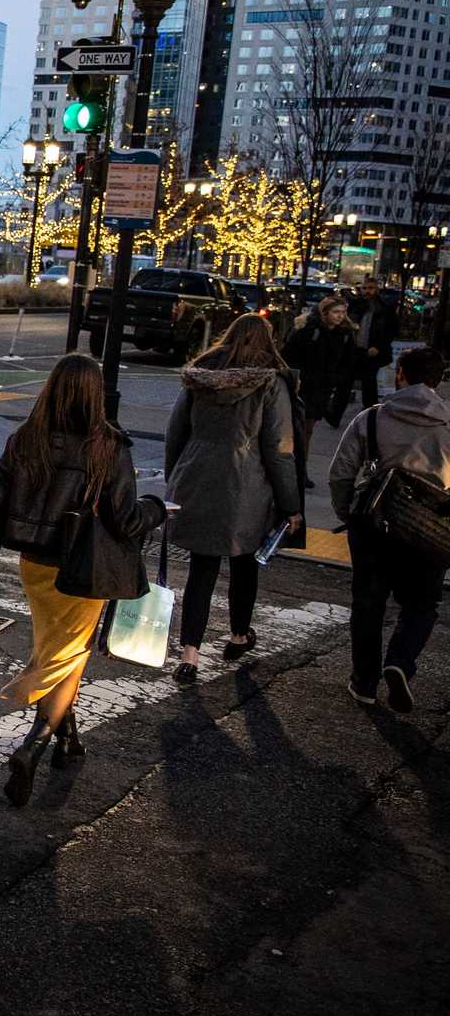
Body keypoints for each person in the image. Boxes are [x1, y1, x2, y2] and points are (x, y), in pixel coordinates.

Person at [0, 355, 167, 807]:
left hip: (35, 565)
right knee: (66, 654)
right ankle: (32, 747)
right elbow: (127, 518)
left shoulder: (25, 439)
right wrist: (157, 508)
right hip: (83, 568)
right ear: (96, 394)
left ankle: (67, 738)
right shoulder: (107, 447)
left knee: (59, 649)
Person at [164, 313, 303, 684]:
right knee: (245, 563)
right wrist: (290, 504)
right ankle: (239, 636)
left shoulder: (199, 375)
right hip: (248, 482)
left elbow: (176, 430)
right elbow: (279, 449)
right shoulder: (270, 382)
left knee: (201, 568)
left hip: (196, 474)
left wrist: (175, 478)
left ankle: (190, 654)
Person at [329, 347, 450, 712]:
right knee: (423, 604)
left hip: (376, 525)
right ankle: (400, 660)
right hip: (433, 528)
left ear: (400, 374)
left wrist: (347, 512)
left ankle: (364, 682)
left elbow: (341, 473)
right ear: (439, 380)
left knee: (368, 603)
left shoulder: (371, 418)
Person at [285, 295, 360, 429]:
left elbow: (348, 361)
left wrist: (336, 379)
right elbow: (290, 355)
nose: (340, 316)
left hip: (324, 387)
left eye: (343, 312)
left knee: (309, 427)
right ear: (324, 313)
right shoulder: (309, 330)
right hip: (304, 385)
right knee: (298, 425)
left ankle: (303, 450)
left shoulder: (345, 334)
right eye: (336, 312)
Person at [349, 275, 398, 410]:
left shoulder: (384, 307)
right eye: (364, 288)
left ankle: (370, 409)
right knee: (346, 379)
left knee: (369, 381)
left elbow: (391, 331)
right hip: (357, 348)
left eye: (370, 288)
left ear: (377, 289)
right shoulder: (358, 305)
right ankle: (335, 413)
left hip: (372, 350)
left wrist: (378, 347)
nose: (366, 291)